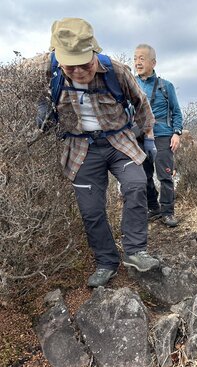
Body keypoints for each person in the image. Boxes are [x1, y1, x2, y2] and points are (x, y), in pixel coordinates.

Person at [36, 18, 160, 287]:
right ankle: (106, 262)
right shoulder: (47, 69)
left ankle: (136, 251)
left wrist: (145, 137)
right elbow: (12, 78)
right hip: (80, 147)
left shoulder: (116, 70)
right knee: (91, 210)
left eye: (85, 63)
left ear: (94, 52)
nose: (80, 71)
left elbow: (142, 104)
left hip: (119, 141)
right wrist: (42, 104)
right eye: (72, 65)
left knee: (136, 185)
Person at [133, 44, 183, 227]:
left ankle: (168, 212)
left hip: (162, 135)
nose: (138, 62)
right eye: (135, 58)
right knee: (143, 175)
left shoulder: (166, 86)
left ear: (153, 62)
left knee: (165, 175)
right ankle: (153, 208)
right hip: (139, 135)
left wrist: (176, 133)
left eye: (142, 58)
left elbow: (176, 111)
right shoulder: (131, 83)